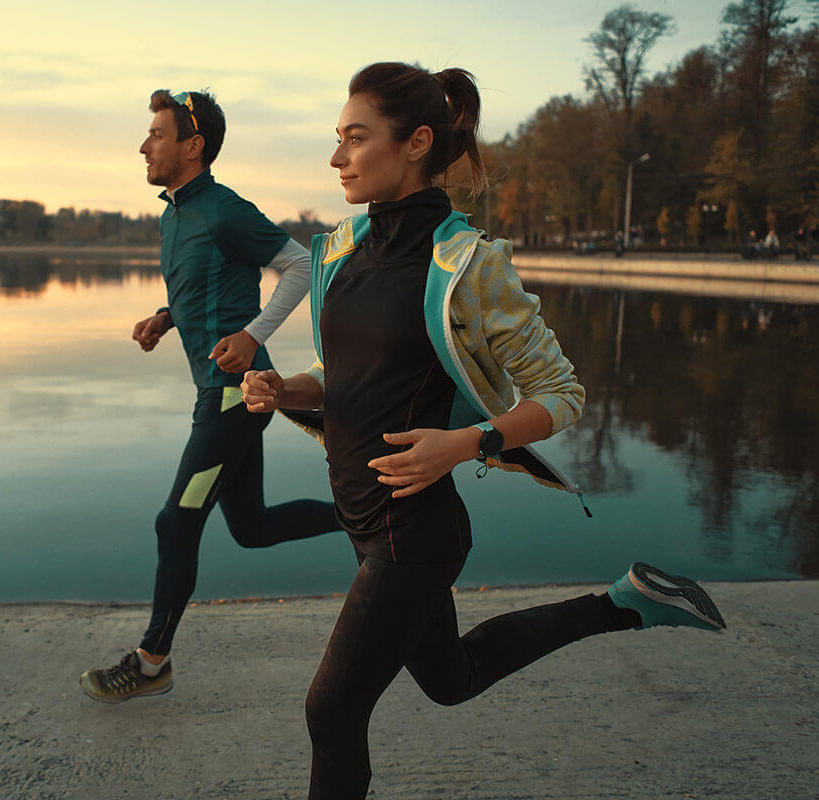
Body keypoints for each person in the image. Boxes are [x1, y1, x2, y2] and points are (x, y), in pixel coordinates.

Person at [239, 62, 726, 799]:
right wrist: (288, 388)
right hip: (363, 517)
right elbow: (346, 374)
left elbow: (562, 395)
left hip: (415, 533)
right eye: (336, 139)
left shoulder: (468, 264)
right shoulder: (341, 249)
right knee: (451, 679)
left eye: (355, 139)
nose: (336, 157)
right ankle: (627, 602)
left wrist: (465, 442)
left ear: (415, 143)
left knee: (332, 709)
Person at [79, 89, 340, 703]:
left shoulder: (223, 209)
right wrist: (168, 316)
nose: (144, 146)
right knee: (250, 528)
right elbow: (209, 282)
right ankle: (366, 518)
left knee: (175, 523)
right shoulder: (174, 214)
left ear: (192, 146)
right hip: (219, 394)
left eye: (157, 135)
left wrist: (252, 335)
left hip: (233, 398)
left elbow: (301, 265)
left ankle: (150, 663)